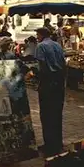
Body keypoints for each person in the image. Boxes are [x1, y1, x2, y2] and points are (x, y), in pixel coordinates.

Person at [35, 27, 66, 156]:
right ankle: (58, 142)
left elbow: (41, 65)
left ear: (42, 35)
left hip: (47, 81)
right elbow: (64, 63)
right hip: (59, 81)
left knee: (46, 114)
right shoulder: (57, 45)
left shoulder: (41, 46)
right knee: (57, 113)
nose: (37, 37)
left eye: (37, 35)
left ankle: (49, 144)